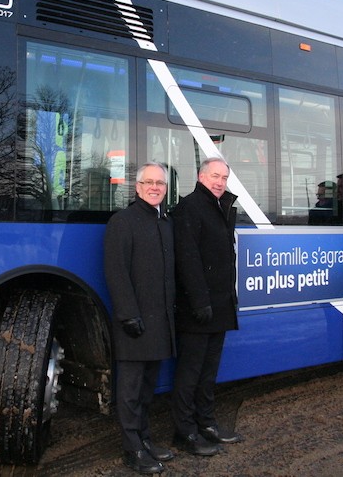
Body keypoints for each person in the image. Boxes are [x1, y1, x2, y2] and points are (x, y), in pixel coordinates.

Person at [103, 162, 177, 474]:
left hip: (159, 323)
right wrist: (128, 315)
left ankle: (145, 440)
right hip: (133, 323)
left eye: (160, 183)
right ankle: (132, 448)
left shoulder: (165, 223)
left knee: (148, 388)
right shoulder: (122, 221)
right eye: (149, 182)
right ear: (137, 187)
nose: (155, 188)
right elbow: (116, 272)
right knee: (130, 391)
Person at [170, 157, 242, 457]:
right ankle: (184, 431)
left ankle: (207, 423)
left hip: (219, 306)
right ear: (201, 177)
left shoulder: (219, 206)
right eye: (215, 176)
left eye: (224, 178)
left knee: (209, 372)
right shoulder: (190, 208)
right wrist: (199, 302)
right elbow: (187, 260)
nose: (220, 182)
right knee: (189, 374)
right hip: (197, 309)